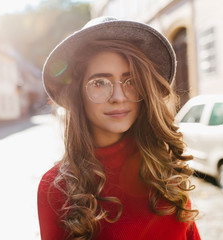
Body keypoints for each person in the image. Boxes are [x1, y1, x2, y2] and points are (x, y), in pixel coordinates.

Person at [37, 16, 201, 240]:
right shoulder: (57, 188)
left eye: (131, 80)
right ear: (78, 95)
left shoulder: (164, 164)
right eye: (99, 83)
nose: (118, 97)